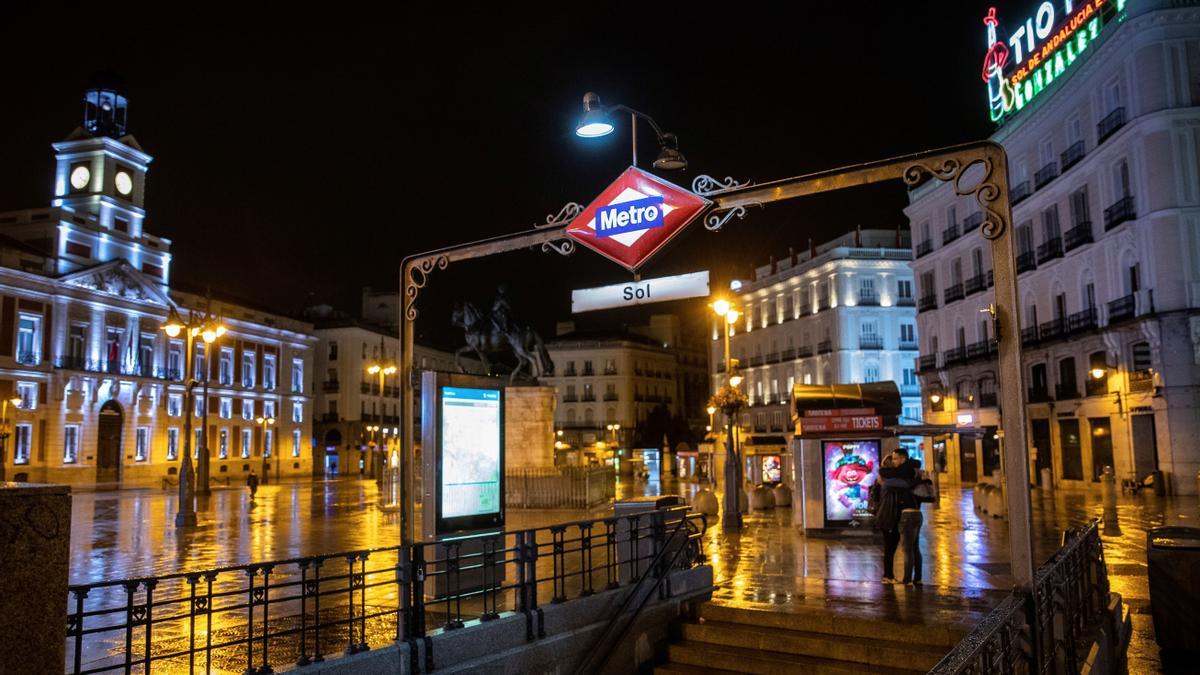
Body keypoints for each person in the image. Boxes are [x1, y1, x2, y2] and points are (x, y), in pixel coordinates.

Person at [876, 447, 919, 584]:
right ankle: (888, 576)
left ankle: (889, 575)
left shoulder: (889, 482)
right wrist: (916, 480)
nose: (895, 463)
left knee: (893, 547)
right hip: (889, 518)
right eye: (893, 461)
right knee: (891, 547)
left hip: (891, 517)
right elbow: (907, 483)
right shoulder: (888, 483)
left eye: (896, 459)